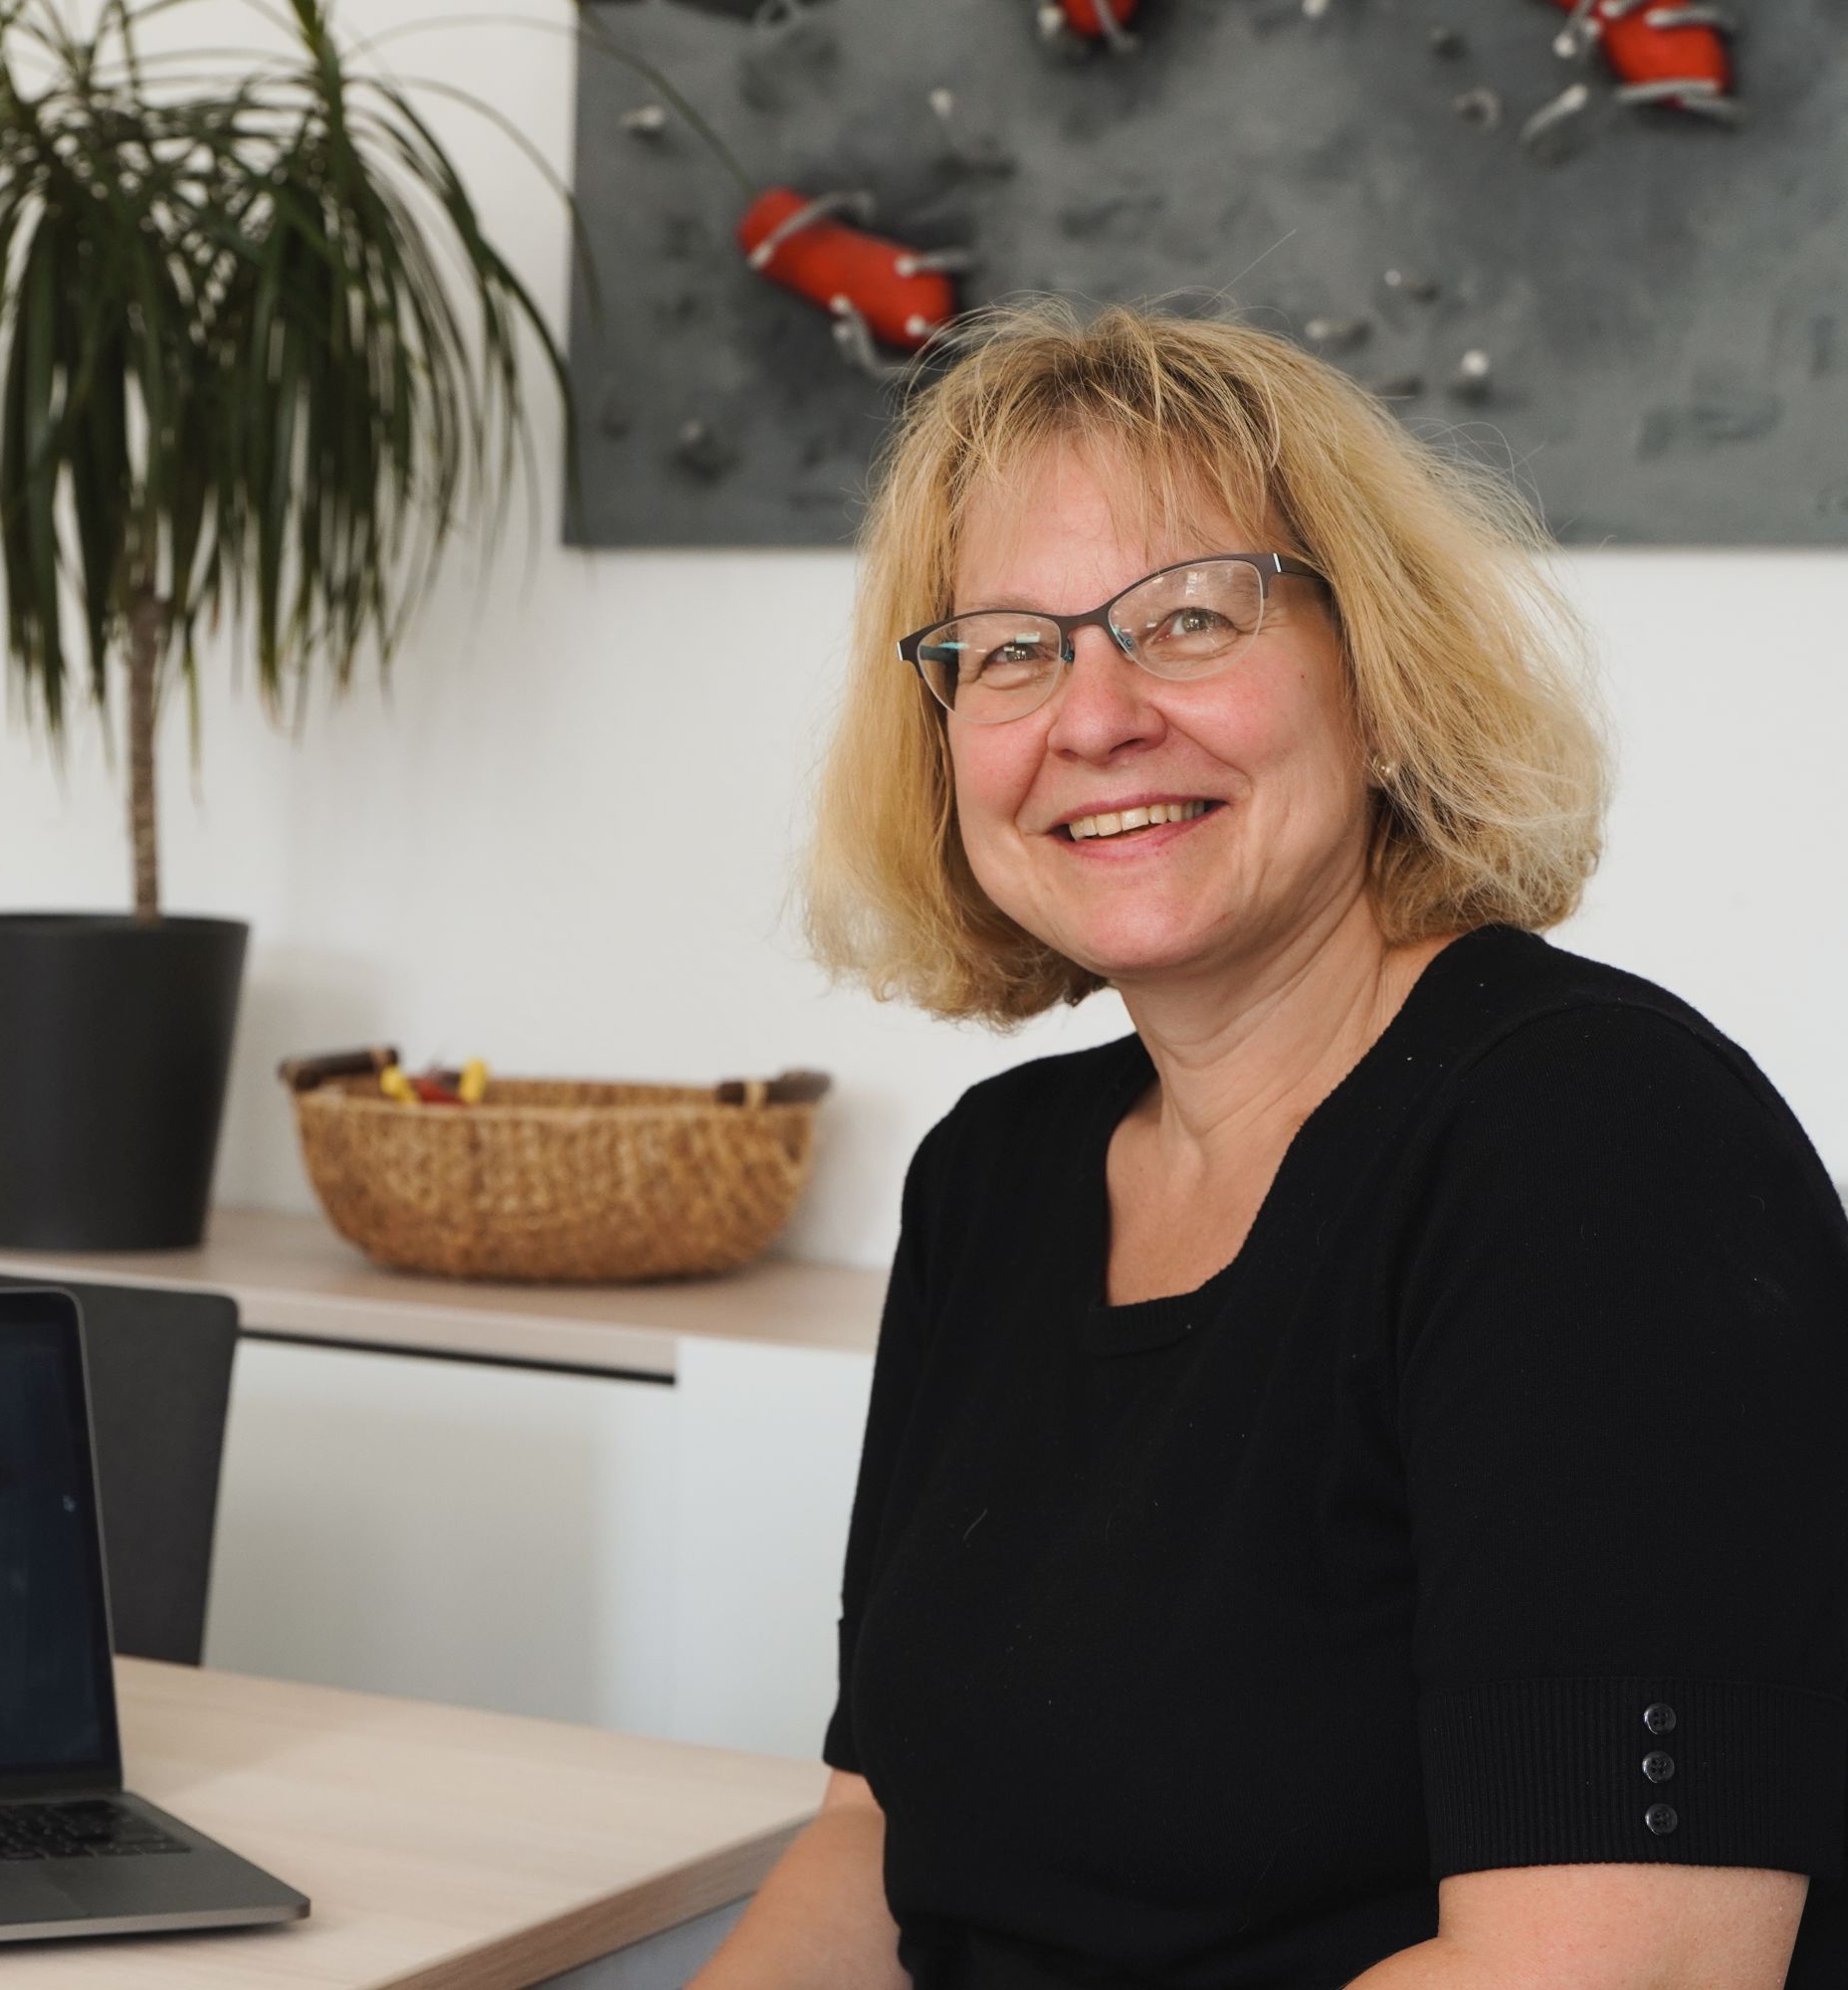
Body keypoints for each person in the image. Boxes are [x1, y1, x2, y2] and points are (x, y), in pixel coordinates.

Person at [694, 301, 1848, 1988]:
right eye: (1007, 651)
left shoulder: (1602, 1148)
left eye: (1188, 617)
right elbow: (876, 1841)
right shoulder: (993, 1177)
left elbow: (1618, 1966)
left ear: (1379, 679)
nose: (1094, 716)